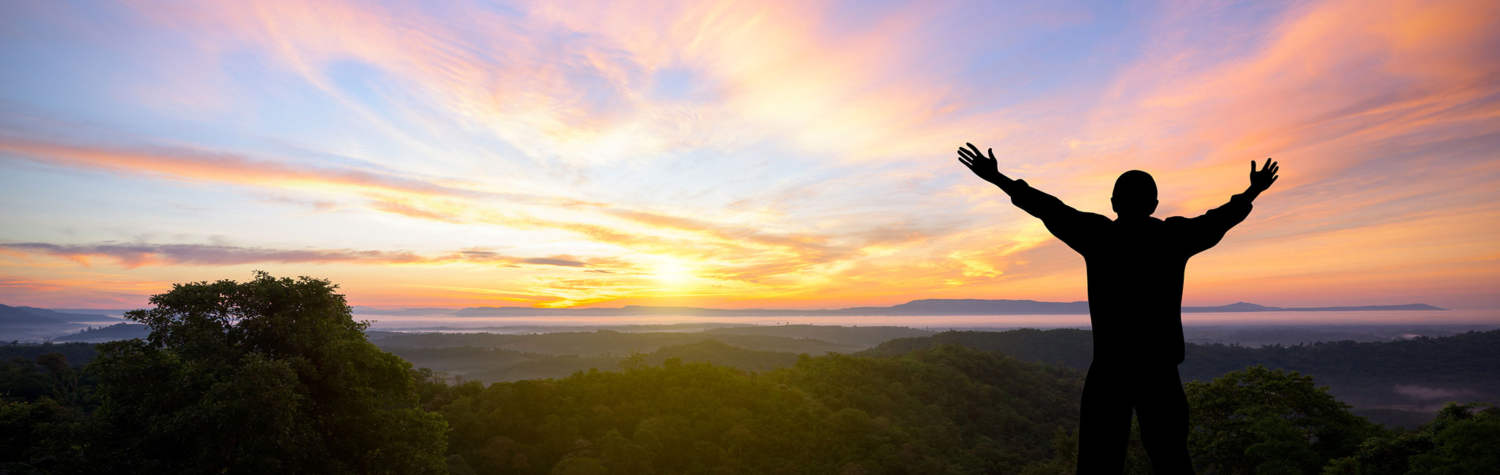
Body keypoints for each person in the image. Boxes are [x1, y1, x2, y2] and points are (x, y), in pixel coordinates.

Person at [956, 143, 1278, 473]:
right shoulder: (1173, 237)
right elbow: (1218, 219)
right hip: (1160, 372)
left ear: (1113, 203)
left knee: (1098, 461)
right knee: (1172, 460)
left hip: (1110, 370)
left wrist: (997, 178)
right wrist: (1253, 190)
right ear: (1154, 204)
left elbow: (1047, 207)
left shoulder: (1098, 235)